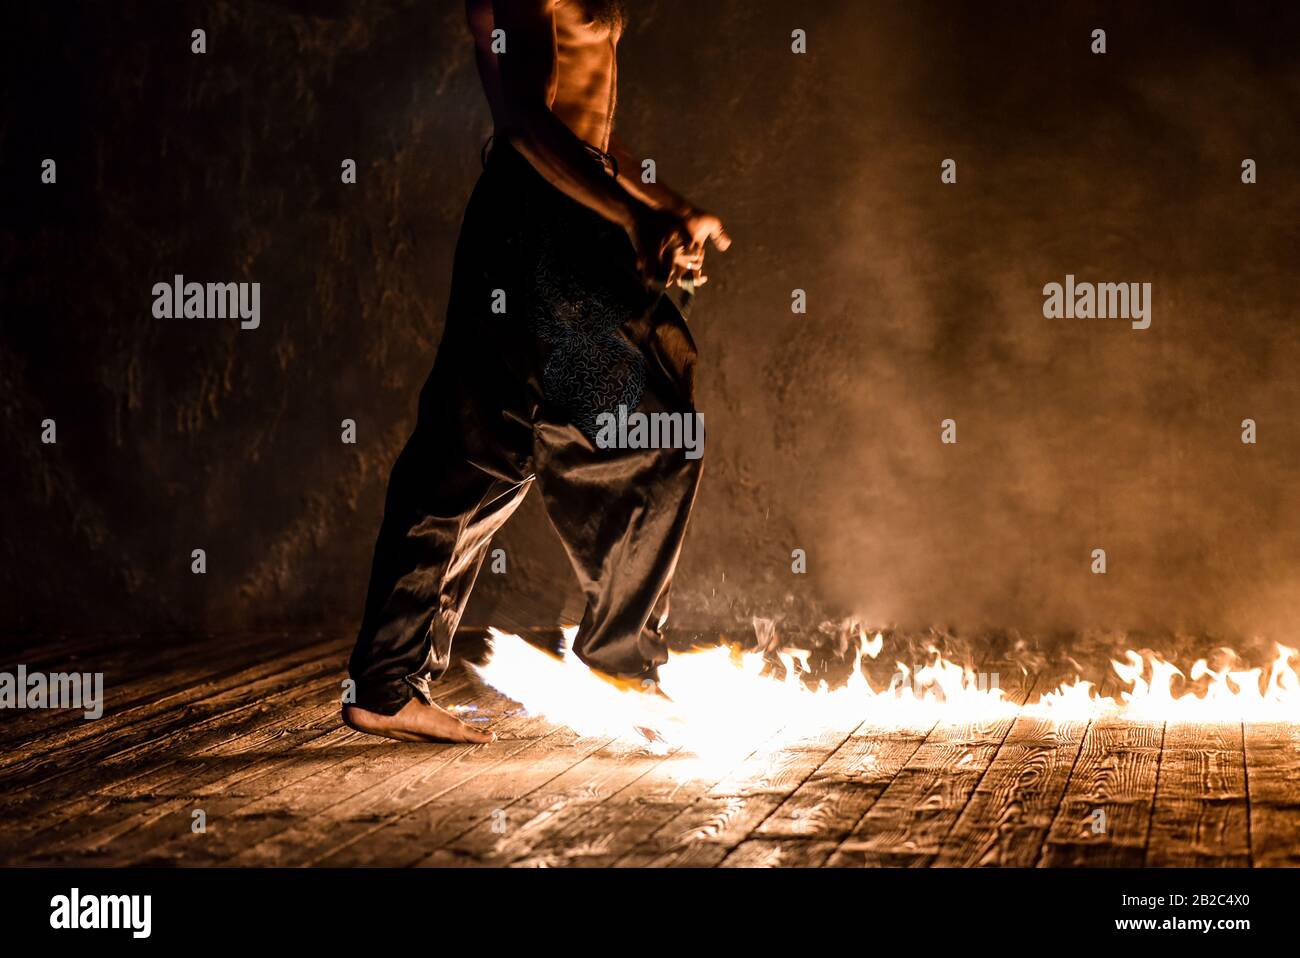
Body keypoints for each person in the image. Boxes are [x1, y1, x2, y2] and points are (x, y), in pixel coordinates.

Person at [343, 0, 730, 743]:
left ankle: (386, 683)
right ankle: (619, 667)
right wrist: (629, 213)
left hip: (553, 216)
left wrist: (653, 204)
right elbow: (525, 121)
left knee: (476, 456)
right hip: (540, 223)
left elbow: (577, 136)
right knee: (645, 435)